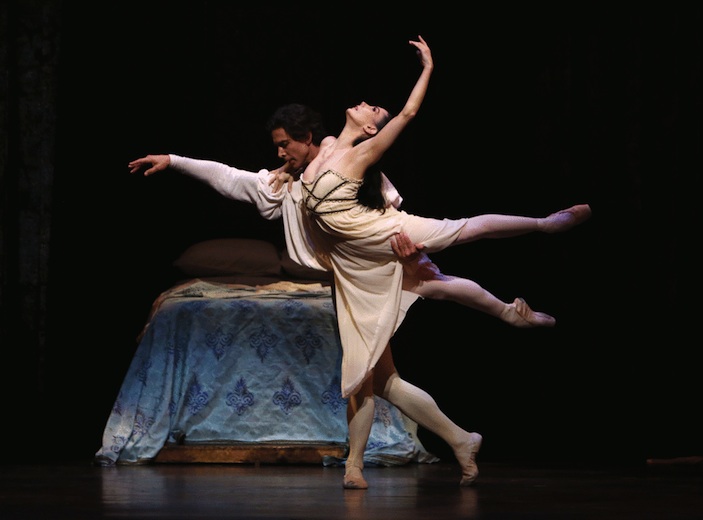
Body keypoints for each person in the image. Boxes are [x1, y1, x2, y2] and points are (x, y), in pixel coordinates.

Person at [129, 104, 588, 490]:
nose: (279, 152)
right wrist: (175, 159)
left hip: (380, 257)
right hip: (351, 281)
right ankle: (459, 440)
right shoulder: (280, 185)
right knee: (378, 375)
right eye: (276, 146)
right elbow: (229, 177)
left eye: (286, 143)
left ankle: (521, 287)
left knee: (426, 297)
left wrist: (401, 237)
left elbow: (383, 198)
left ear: (308, 138)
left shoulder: (340, 159)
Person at [298, 35, 592, 489]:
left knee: (463, 229)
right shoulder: (332, 145)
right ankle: (458, 440)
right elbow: (299, 185)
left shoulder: (362, 154)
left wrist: (428, 68)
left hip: (385, 235)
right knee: (380, 373)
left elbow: (410, 113)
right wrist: (281, 174)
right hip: (359, 267)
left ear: (374, 130)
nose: (365, 104)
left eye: (374, 109)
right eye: (369, 104)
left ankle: (543, 225)